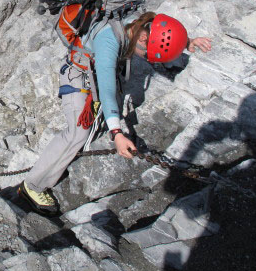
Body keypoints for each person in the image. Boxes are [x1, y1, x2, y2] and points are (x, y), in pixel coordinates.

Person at [18, 12, 212, 215]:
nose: (145, 57)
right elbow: (107, 90)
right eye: (146, 53)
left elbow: (160, 31)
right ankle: (33, 186)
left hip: (92, 71)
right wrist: (117, 133)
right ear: (143, 38)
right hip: (77, 75)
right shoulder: (109, 42)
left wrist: (187, 42)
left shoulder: (137, 23)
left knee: (94, 124)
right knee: (78, 133)